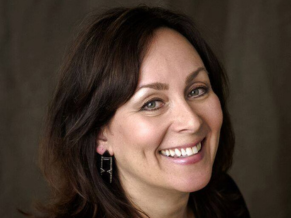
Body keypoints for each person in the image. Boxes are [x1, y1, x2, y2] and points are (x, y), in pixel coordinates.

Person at [30, 6, 250, 218]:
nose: (191, 121)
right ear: (100, 133)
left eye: (197, 90)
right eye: (152, 103)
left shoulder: (226, 200)